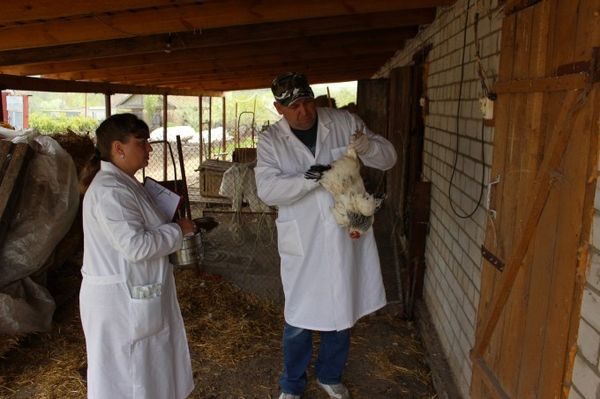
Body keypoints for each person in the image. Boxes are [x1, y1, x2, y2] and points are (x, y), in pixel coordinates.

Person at [255, 73, 397, 399]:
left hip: (347, 227)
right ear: (279, 108)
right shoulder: (271, 141)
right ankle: (292, 384)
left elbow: (388, 158)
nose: (304, 111)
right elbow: (267, 190)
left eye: (307, 102)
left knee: (342, 305)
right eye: (294, 106)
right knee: (299, 315)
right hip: (303, 237)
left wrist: (367, 146)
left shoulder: (345, 121)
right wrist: (308, 180)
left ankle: (330, 376)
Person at [78, 113, 195, 399]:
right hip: (120, 303)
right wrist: (178, 231)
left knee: (143, 372)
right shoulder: (111, 191)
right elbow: (136, 246)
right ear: (118, 148)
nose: (149, 149)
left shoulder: (127, 183)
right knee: (128, 379)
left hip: (135, 294)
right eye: (142, 143)